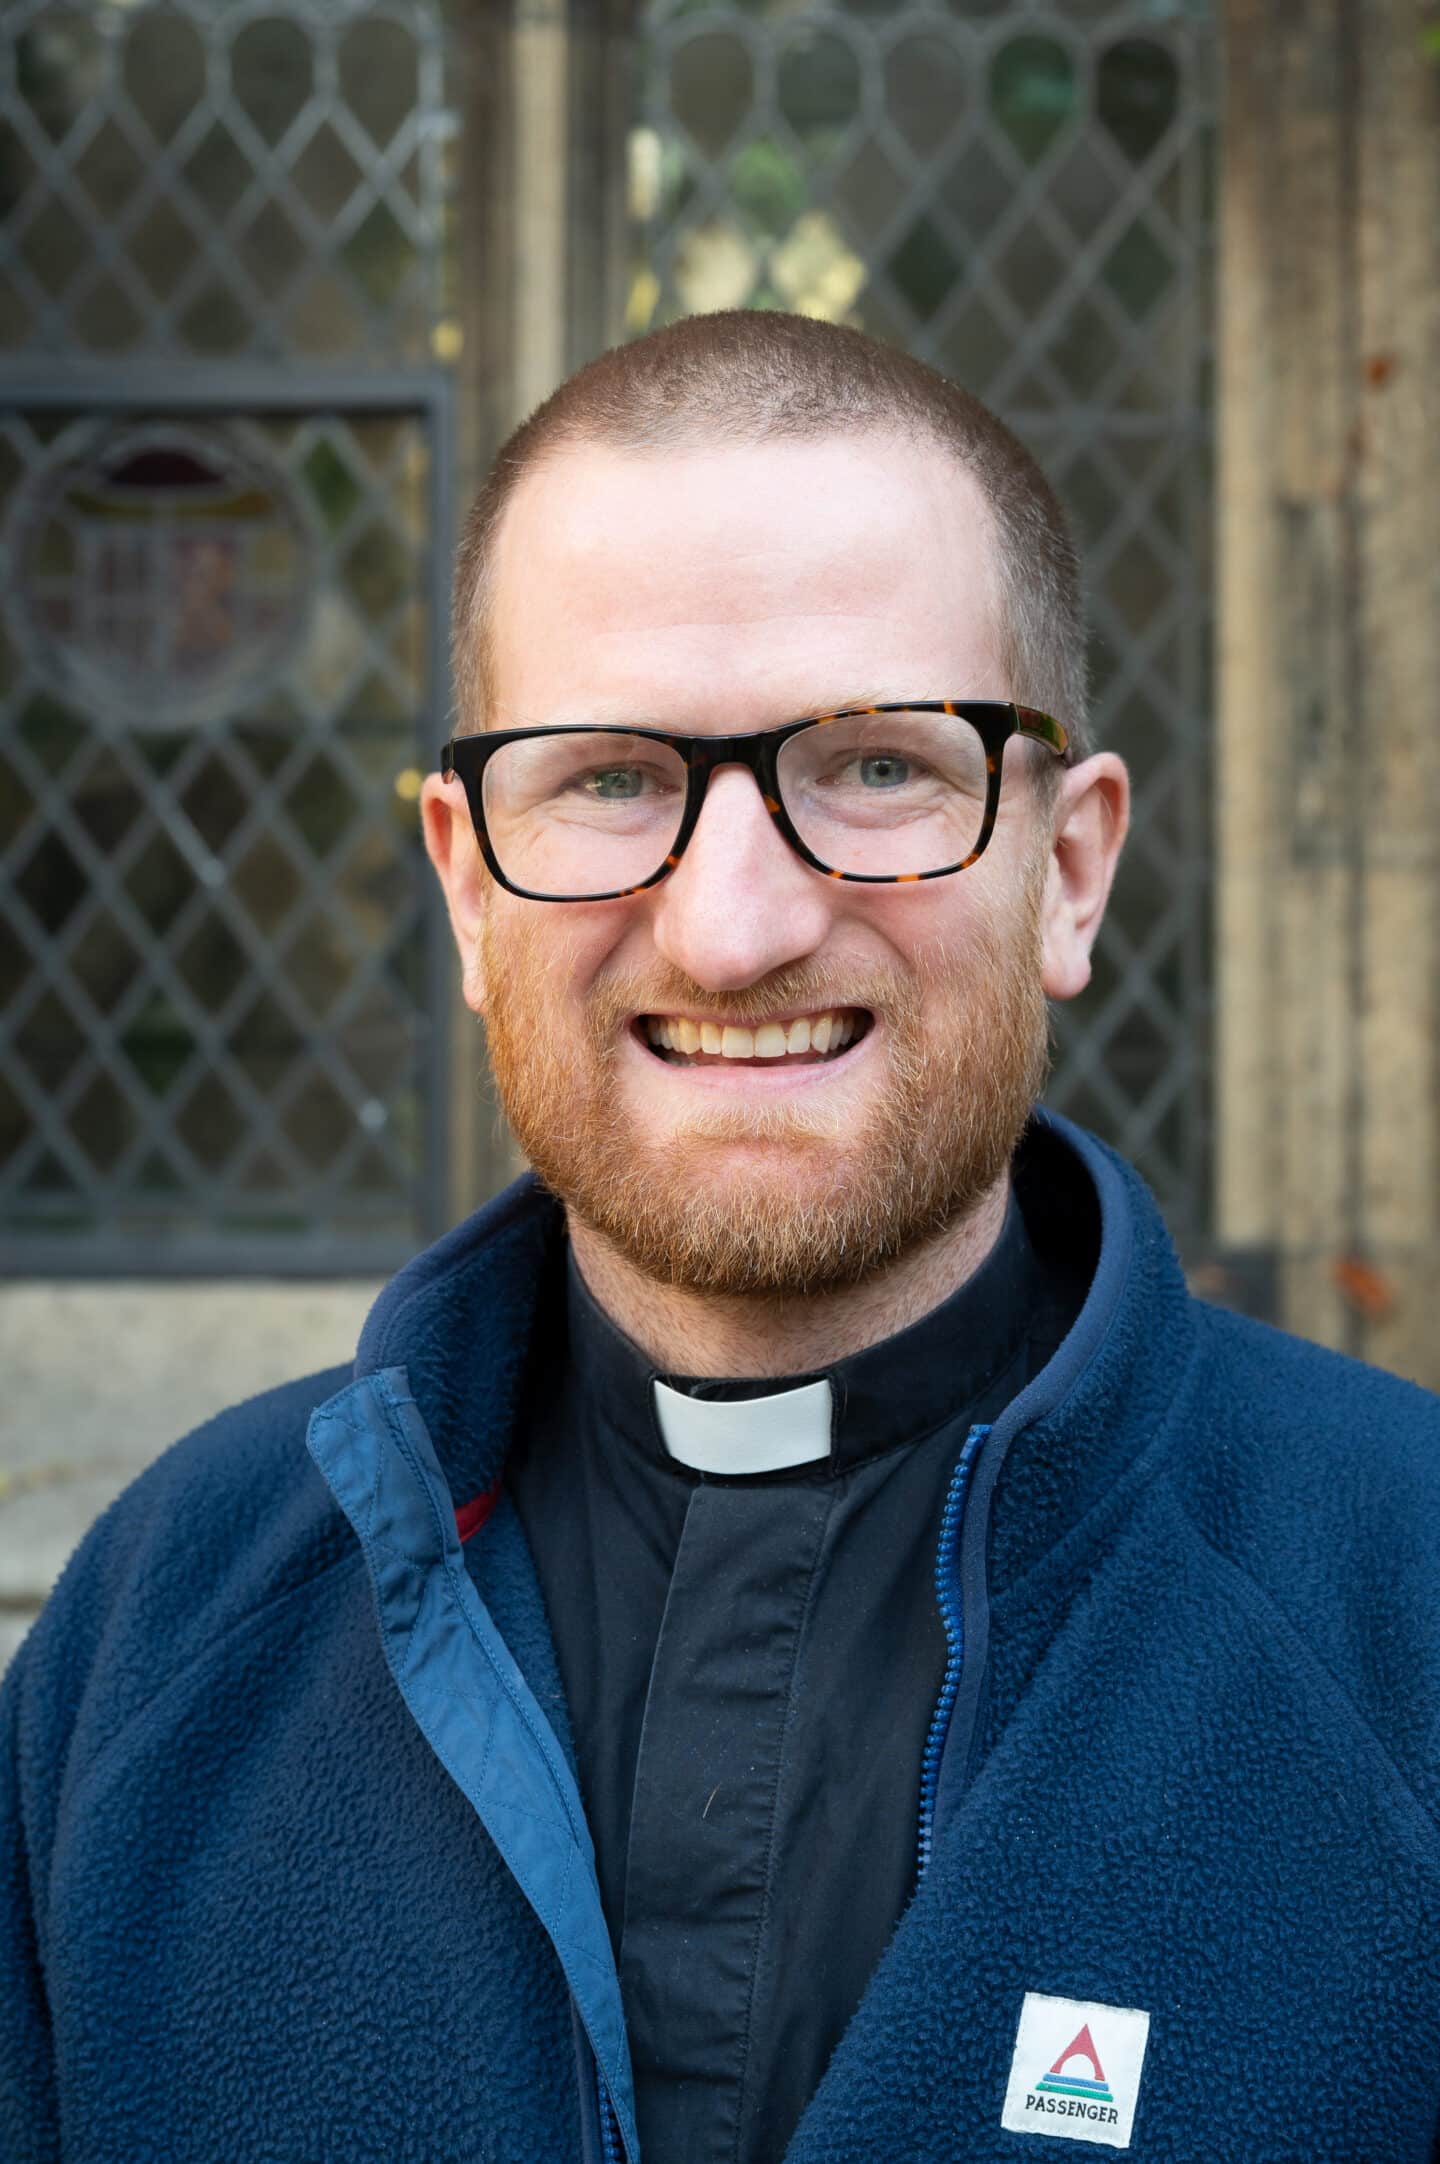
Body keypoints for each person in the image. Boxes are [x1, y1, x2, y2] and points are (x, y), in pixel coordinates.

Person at [3, 311, 1440, 2164]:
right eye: (607, 779)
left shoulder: (1404, 1611)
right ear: (463, 878)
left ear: (1069, 869)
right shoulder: (161, 1634)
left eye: (873, 766)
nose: (732, 928)